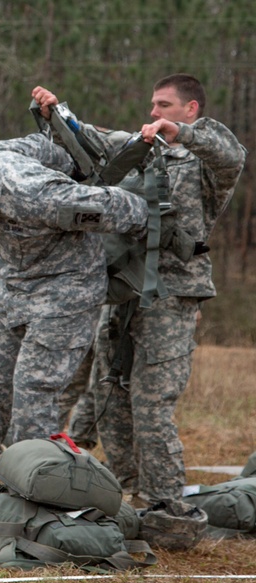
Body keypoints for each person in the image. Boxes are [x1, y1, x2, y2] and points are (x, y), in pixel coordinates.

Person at [32, 76, 247, 506]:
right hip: (121, 292)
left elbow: (232, 154)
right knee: (110, 399)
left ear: (190, 109)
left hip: (170, 296)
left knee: (151, 407)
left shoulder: (202, 163)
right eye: (153, 104)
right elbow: (91, 139)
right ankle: (125, 497)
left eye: (164, 104)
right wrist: (56, 112)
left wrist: (180, 133)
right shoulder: (140, 149)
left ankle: (164, 507)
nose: (154, 112)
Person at [0, 134, 150, 512]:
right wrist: (71, 165)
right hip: (14, 293)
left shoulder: (40, 197)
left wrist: (143, 222)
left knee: (32, 395)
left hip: (64, 298)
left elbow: (124, 208)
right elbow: (45, 147)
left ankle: (30, 493)